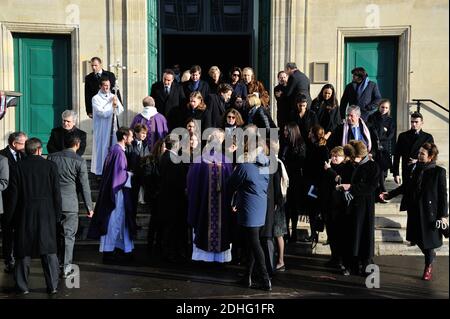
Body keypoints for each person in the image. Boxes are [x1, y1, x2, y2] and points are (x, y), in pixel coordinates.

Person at [381, 143, 448, 281]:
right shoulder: (414, 167)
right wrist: (389, 195)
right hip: (414, 210)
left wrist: (443, 215)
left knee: (428, 242)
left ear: (431, 157)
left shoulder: (439, 172)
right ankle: (430, 256)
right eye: (419, 153)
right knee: (416, 238)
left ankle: (428, 266)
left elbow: (443, 195)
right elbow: (405, 186)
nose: (419, 155)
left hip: (430, 213)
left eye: (422, 154)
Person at [4, 138, 62, 294]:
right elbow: (57, 193)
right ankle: (53, 286)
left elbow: (13, 196)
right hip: (46, 214)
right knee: (49, 251)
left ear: (26, 150)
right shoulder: (50, 166)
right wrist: (57, 215)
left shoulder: (17, 167)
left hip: (24, 213)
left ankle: (22, 286)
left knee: (23, 252)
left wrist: (9, 219)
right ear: (39, 150)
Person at [47, 132, 93, 278]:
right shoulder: (79, 160)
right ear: (77, 144)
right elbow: (85, 186)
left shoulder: (52, 157)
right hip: (70, 204)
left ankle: (55, 265)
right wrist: (89, 207)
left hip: (53, 203)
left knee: (55, 235)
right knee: (68, 236)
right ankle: (66, 266)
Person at [228, 138, 271, 291]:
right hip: (260, 207)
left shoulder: (245, 167)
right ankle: (247, 277)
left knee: (254, 244)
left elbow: (231, 184)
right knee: (253, 243)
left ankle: (265, 280)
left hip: (248, 208)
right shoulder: (266, 165)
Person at [88, 127, 136, 263]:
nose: (132, 139)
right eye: (131, 136)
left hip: (115, 191)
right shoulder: (119, 153)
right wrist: (129, 174)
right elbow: (119, 175)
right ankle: (109, 252)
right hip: (117, 193)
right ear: (125, 137)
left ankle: (118, 249)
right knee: (114, 221)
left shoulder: (115, 151)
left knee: (118, 221)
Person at [187, 129, 233, 263]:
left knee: (203, 222)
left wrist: (195, 197)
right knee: (221, 226)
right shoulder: (226, 161)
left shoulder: (199, 161)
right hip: (222, 205)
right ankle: (220, 259)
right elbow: (231, 183)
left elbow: (191, 184)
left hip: (203, 204)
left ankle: (203, 257)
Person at [338, 140, 379, 275]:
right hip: (350, 205)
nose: (352, 160)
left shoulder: (373, 167)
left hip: (364, 206)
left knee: (364, 235)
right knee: (350, 234)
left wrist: (351, 188)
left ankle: (365, 264)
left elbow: (371, 187)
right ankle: (350, 264)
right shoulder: (351, 165)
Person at [158, 134, 189, 262]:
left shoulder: (164, 157)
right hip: (175, 198)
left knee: (169, 226)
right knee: (173, 226)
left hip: (167, 197)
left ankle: (169, 251)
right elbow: (178, 180)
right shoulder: (174, 159)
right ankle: (171, 252)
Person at [0, 131, 27, 273]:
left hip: (21, 200)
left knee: (20, 231)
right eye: (23, 143)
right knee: (7, 232)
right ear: (14, 143)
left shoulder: (24, 154)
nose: (25, 145)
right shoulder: (2, 155)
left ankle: (19, 257)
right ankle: (8, 260)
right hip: (7, 201)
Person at [279, 122, 306, 243]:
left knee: (293, 206)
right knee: (286, 206)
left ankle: (294, 231)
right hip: (284, 178)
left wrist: (286, 166)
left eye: (286, 130)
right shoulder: (284, 143)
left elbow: (300, 162)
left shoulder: (300, 144)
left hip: (295, 179)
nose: (284, 132)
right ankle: (287, 231)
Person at [91, 77, 124, 176]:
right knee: (102, 148)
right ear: (100, 86)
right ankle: (100, 171)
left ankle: (112, 170)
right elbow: (101, 113)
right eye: (105, 85)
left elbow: (120, 110)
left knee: (113, 145)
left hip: (112, 127)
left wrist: (116, 104)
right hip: (101, 128)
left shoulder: (113, 96)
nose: (107, 88)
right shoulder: (95, 98)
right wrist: (112, 107)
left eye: (108, 86)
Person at [392, 111, 434, 185]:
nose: (413, 124)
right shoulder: (403, 136)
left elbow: (432, 155)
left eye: (416, 122)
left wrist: (418, 160)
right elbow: (397, 155)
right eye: (412, 122)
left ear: (422, 123)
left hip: (422, 170)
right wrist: (396, 173)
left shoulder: (428, 137)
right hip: (407, 170)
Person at [367, 99, 396, 194]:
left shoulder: (390, 120)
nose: (384, 109)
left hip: (385, 147)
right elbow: (371, 131)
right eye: (382, 107)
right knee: (376, 168)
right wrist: (383, 130)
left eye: (386, 108)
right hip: (374, 146)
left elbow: (391, 134)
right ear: (379, 106)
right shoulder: (372, 117)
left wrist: (383, 133)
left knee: (383, 169)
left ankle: (381, 188)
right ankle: (380, 189)